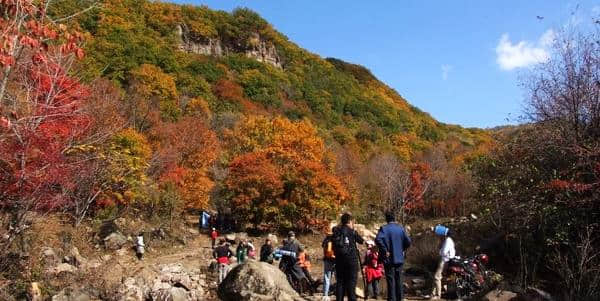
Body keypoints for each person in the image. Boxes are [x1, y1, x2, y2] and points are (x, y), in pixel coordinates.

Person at [375, 211, 411, 301]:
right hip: (399, 258)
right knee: (399, 280)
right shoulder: (401, 229)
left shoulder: (384, 228)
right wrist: (402, 249)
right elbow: (408, 242)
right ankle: (400, 298)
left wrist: (385, 250)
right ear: (394, 218)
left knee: (391, 281)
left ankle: (392, 299)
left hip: (389, 259)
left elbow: (378, 239)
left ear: (386, 219)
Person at [332, 213, 364, 301]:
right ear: (349, 221)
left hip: (339, 261)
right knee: (351, 284)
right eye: (352, 222)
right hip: (351, 261)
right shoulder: (352, 231)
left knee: (340, 283)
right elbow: (361, 241)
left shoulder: (336, 231)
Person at [431, 225, 455, 300]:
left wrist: (440, 251)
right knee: (438, 277)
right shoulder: (449, 240)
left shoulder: (448, 240)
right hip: (447, 260)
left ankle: (438, 295)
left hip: (444, 260)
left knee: (437, 277)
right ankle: (433, 294)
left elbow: (444, 252)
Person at [321, 226, 336, 301]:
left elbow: (324, 248)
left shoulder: (325, 240)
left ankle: (325, 294)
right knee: (336, 277)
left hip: (326, 260)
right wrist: (335, 256)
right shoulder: (330, 241)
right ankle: (337, 292)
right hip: (332, 261)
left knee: (327, 277)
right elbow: (329, 251)